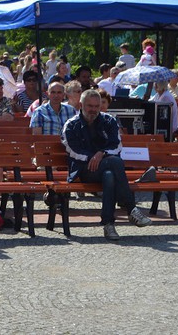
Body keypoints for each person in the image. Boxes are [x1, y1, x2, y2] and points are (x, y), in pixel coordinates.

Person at [61, 89, 152, 240]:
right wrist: (93, 157)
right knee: (115, 162)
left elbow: (117, 145)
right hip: (83, 171)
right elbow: (72, 150)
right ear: (80, 105)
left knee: (109, 175)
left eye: (97, 106)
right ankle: (130, 208)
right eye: (90, 106)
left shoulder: (109, 120)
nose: (93, 110)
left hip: (106, 167)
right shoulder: (71, 125)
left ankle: (108, 225)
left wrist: (101, 154)